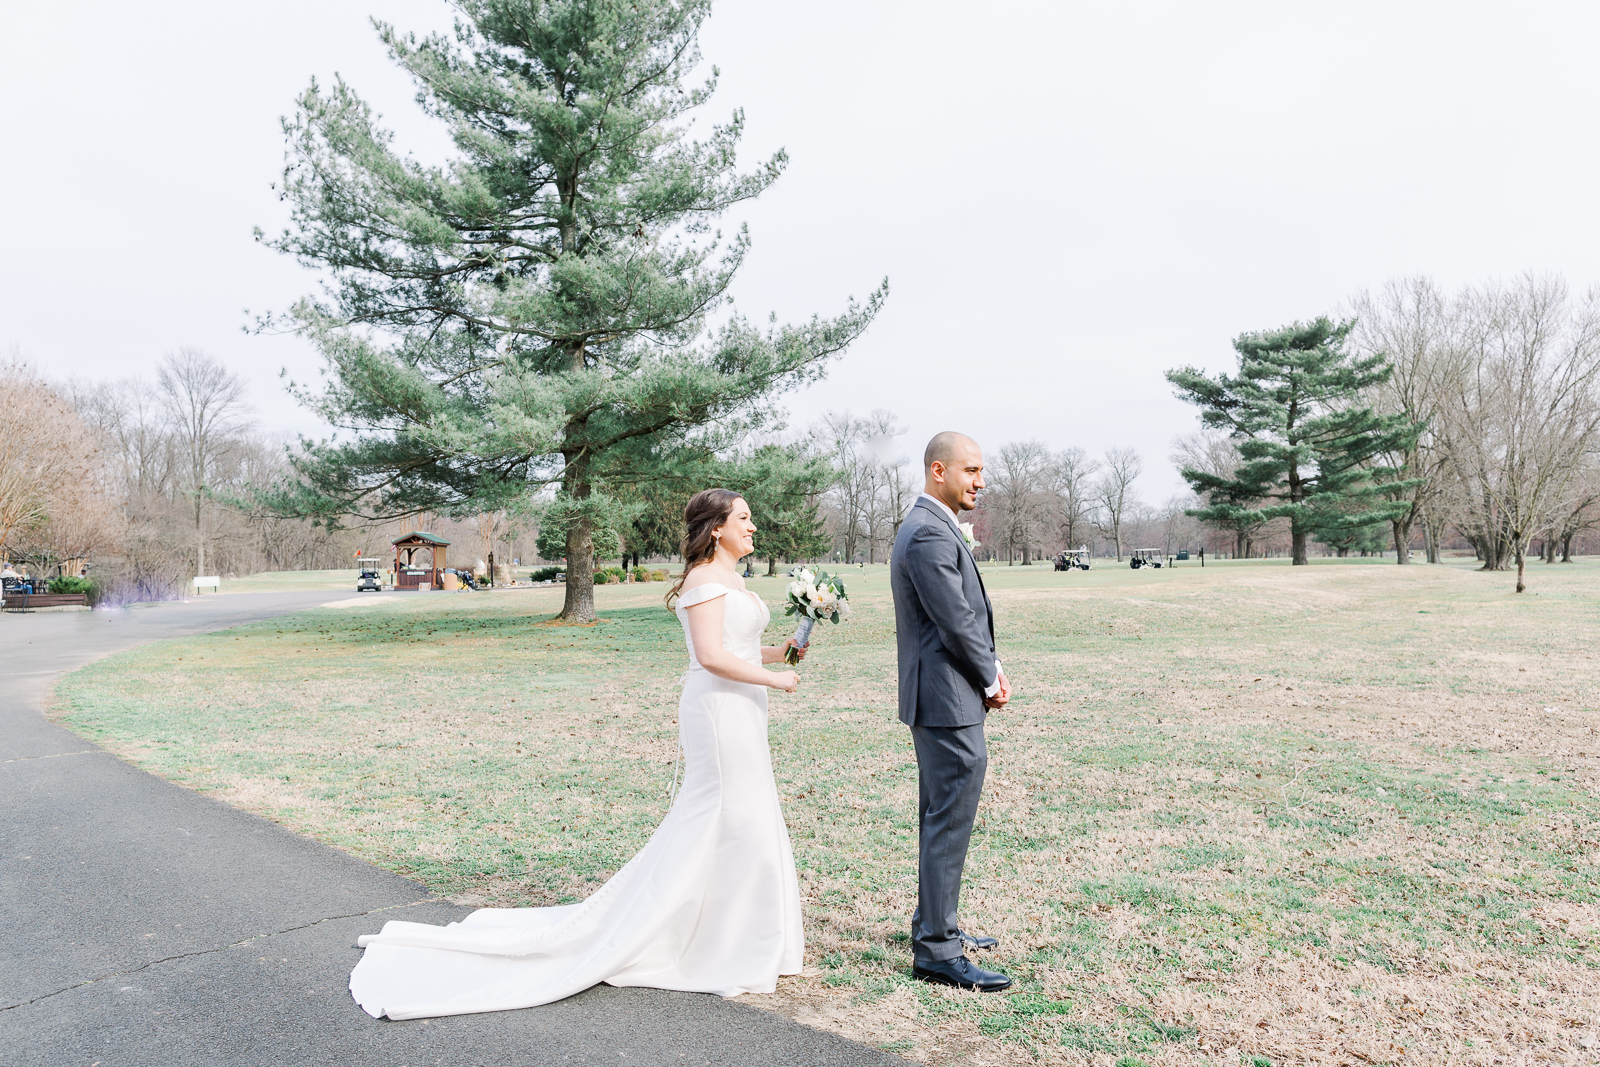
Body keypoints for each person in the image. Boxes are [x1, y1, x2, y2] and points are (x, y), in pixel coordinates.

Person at [348, 489, 806, 1019]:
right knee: (727, 812)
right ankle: (709, 941)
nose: (754, 526)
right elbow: (709, 656)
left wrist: (784, 652)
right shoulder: (704, 579)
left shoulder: (734, 580)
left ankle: (741, 934)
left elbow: (738, 648)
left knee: (744, 813)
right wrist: (775, 678)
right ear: (717, 528)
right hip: (720, 710)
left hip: (744, 706)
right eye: (744, 518)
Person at [889, 432, 1013, 992]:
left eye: (982, 471)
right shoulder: (925, 533)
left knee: (941, 816)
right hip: (945, 699)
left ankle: (935, 924)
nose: (980, 481)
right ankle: (937, 949)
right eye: (971, 470)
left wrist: (992, 664)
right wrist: (989, 674)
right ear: (938, 470)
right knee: (947, 820)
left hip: (946, 695)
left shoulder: (930, 525)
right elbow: (956, 619)